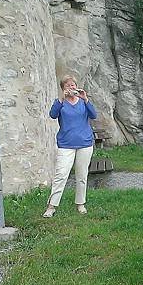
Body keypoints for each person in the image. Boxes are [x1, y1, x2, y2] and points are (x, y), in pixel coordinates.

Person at [43, 75, 97, 218]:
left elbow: (94, 115)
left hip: (85, 143)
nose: (71, 88)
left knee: (81, 175)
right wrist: (61, 99)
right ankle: (51, 206)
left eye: (73, 85)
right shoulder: (60, 103)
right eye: (67, 86)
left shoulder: (83, 102)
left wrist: (86, 99)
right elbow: (53, 115)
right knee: (61, 175)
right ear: (63, 89)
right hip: (66, 145)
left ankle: (80, 203)